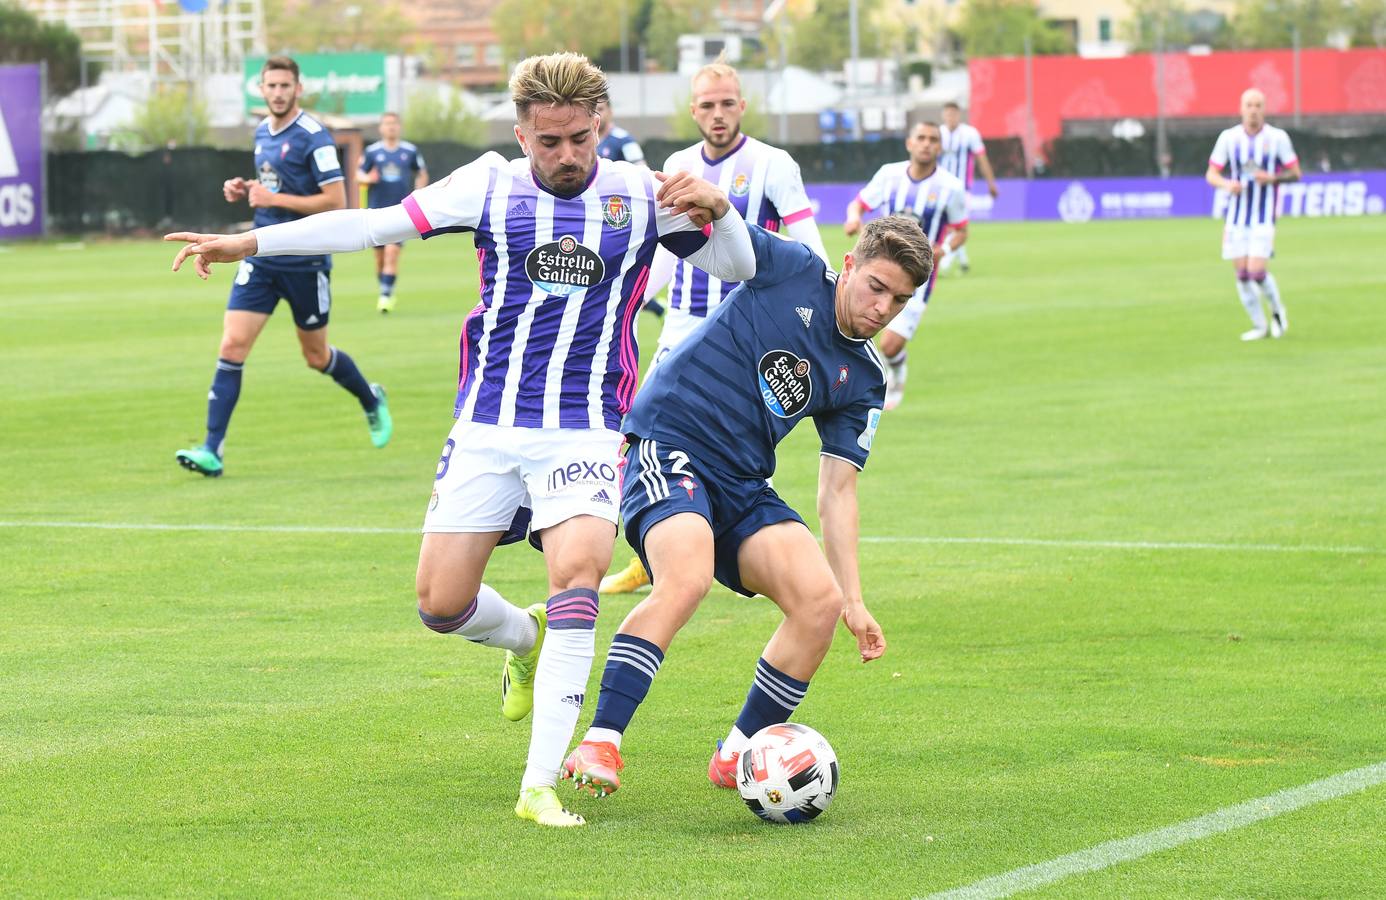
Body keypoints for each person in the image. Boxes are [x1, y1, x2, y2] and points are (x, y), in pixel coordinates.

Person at [165, 52, 754, 828]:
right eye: (549, 141)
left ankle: (539, 784)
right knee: (440, 605)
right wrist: (249, 243)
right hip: (487, 425)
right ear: (521, 134)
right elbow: (370, 224)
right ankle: (522, 638)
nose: (568, 155)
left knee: (578, 575)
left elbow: (739, 264)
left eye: (581, 137)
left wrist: (720, 209)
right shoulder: (486, 183)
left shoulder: (645, 197)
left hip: (584, 426)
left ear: (600, 127)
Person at [560, 215, 933, 802]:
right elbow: (721, 237)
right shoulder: (794, 270)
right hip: (669, 441)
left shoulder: (863, 377)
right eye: (877, 287)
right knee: (686, 580)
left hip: (740, 480)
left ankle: (739, 756)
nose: (884, 308)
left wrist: (856, 602)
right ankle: (601, 740)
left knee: (820, 602)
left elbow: (838, 491)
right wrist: (711, 203)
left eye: (901, 300)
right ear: (851, 266)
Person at [598, 57, 829, 596]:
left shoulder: (774, 165)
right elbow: (660, 252)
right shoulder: (678, 162)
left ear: (742, 106)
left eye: (728, 103)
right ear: (693, 110)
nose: (718, 114)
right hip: (680, 328)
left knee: (738, 449)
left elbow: (808, 248)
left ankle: (731, 550)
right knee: (637, 433)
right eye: (708, 105)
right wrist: (626, 302)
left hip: (747, 340)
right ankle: (651, 552)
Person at [174, 56, 391, 478]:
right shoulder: (261, 132)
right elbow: (274, 185)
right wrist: (247, 189)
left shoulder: (314, 136)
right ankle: (211, 450)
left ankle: (370, 397)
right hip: (259, 257)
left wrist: (275, 201)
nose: (277, 93)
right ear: (261, 88)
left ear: (298, 88)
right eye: (270, 85)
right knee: (232, 347)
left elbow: (336, 202)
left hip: (306, 263)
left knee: (315, 356)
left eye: (284, 86)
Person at [844, 121, 968, 411]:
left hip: (917, 279)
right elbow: (858, 204)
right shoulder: (889, 175)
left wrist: (944, 249)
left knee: (889, 346)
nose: (927, 144)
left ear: (941, 147)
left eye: (933, 139)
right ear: (909, 143)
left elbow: (962, 231)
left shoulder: (950, 187)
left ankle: (897, 369)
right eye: (921, 138)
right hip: (879, 270)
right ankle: (850, 389)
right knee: (855, 329)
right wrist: (853, 219)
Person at [1205, 88, 1300, 341]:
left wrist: (1273, 178)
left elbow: (1295, 173)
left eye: (1258, 105)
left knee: (1257, 272)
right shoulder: (1228, 138)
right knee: (1242, 275)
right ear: (1241, 108)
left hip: (1263, 216)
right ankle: (1259, 325)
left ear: (1264, 109)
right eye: (1249, 105)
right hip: (1235, 217)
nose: (1253, 110)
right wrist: (1227, 185)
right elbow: (1211, 174)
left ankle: (1278, 312)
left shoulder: (1278, 138)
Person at [358, 111, 428, 313]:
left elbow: (421, 173)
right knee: (379, 259)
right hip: (377, 211)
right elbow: (358, 173)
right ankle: (385, 287)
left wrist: (419, 191)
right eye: (387, 124)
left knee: (391, 253)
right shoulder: (372, 152)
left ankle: (385, 297)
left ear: (399, 127)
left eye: (394, 124)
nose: (391, 127)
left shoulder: (409, 151)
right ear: (381, 128)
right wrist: (367, 179)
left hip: (401, 211)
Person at [936, 101, 998, 276]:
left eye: (953, 113)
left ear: (959, 115)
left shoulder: (970, 134)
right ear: (943, 115)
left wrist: (991, 183)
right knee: (949, 225)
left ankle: (945, 264)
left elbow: (982, 159)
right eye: (947, 113)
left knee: (955, 225)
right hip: (941, 188)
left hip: (962, 189)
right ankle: (963, 262)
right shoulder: (938, 134)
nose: (950, 117)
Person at [595, 95, 646, 166]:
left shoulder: (624, 139)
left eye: (600, 109)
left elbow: (642, 167)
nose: (596, 114)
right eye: (593, 110)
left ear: (610, 112)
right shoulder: (585, 139)